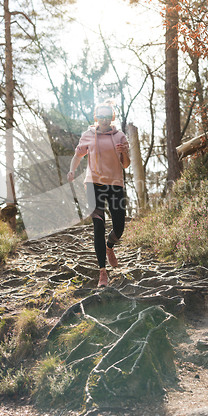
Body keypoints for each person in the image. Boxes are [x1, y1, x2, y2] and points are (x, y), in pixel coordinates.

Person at [67, 100, 131, 287]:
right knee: (98, 226)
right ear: (96, 118)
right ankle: (102, 272)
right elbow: (78, 155)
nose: (103, 120)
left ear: (111, 117)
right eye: (100, 117)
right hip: (94, 184)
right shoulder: (88, 135)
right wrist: (72, 171)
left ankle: (109, 246)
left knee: (119, 227)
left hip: (115, 184)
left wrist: (124, 153)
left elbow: (125, 164)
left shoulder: (120, 136)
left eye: (107, 116)